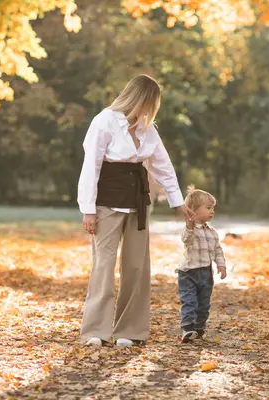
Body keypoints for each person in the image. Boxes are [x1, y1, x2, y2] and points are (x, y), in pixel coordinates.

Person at [77, 74, 193, 347]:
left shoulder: (147, 129)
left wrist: (178, 202)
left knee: (136, 266)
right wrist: (88, 210)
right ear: (138, 98)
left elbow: (162, 166)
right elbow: (90, 166)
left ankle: (130, 330)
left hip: (138, 202)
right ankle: (95, 330)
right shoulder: (104, 121)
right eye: (150, 102)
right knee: (103, 266)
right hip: (106, 202)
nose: (151, 109)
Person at [177, 186, 227, 343]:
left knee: (204, 303)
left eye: (213, 208)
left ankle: (199, 328)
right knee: (189, 301)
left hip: (206, 273)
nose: (212, 211)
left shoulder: (212, 232)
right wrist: (189, 226)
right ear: (193, 210)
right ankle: (187, 327)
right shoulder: (189, 230)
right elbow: (186, 239)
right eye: (208, 208)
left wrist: (221, 265)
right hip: (188, 273)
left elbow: (217, 250)